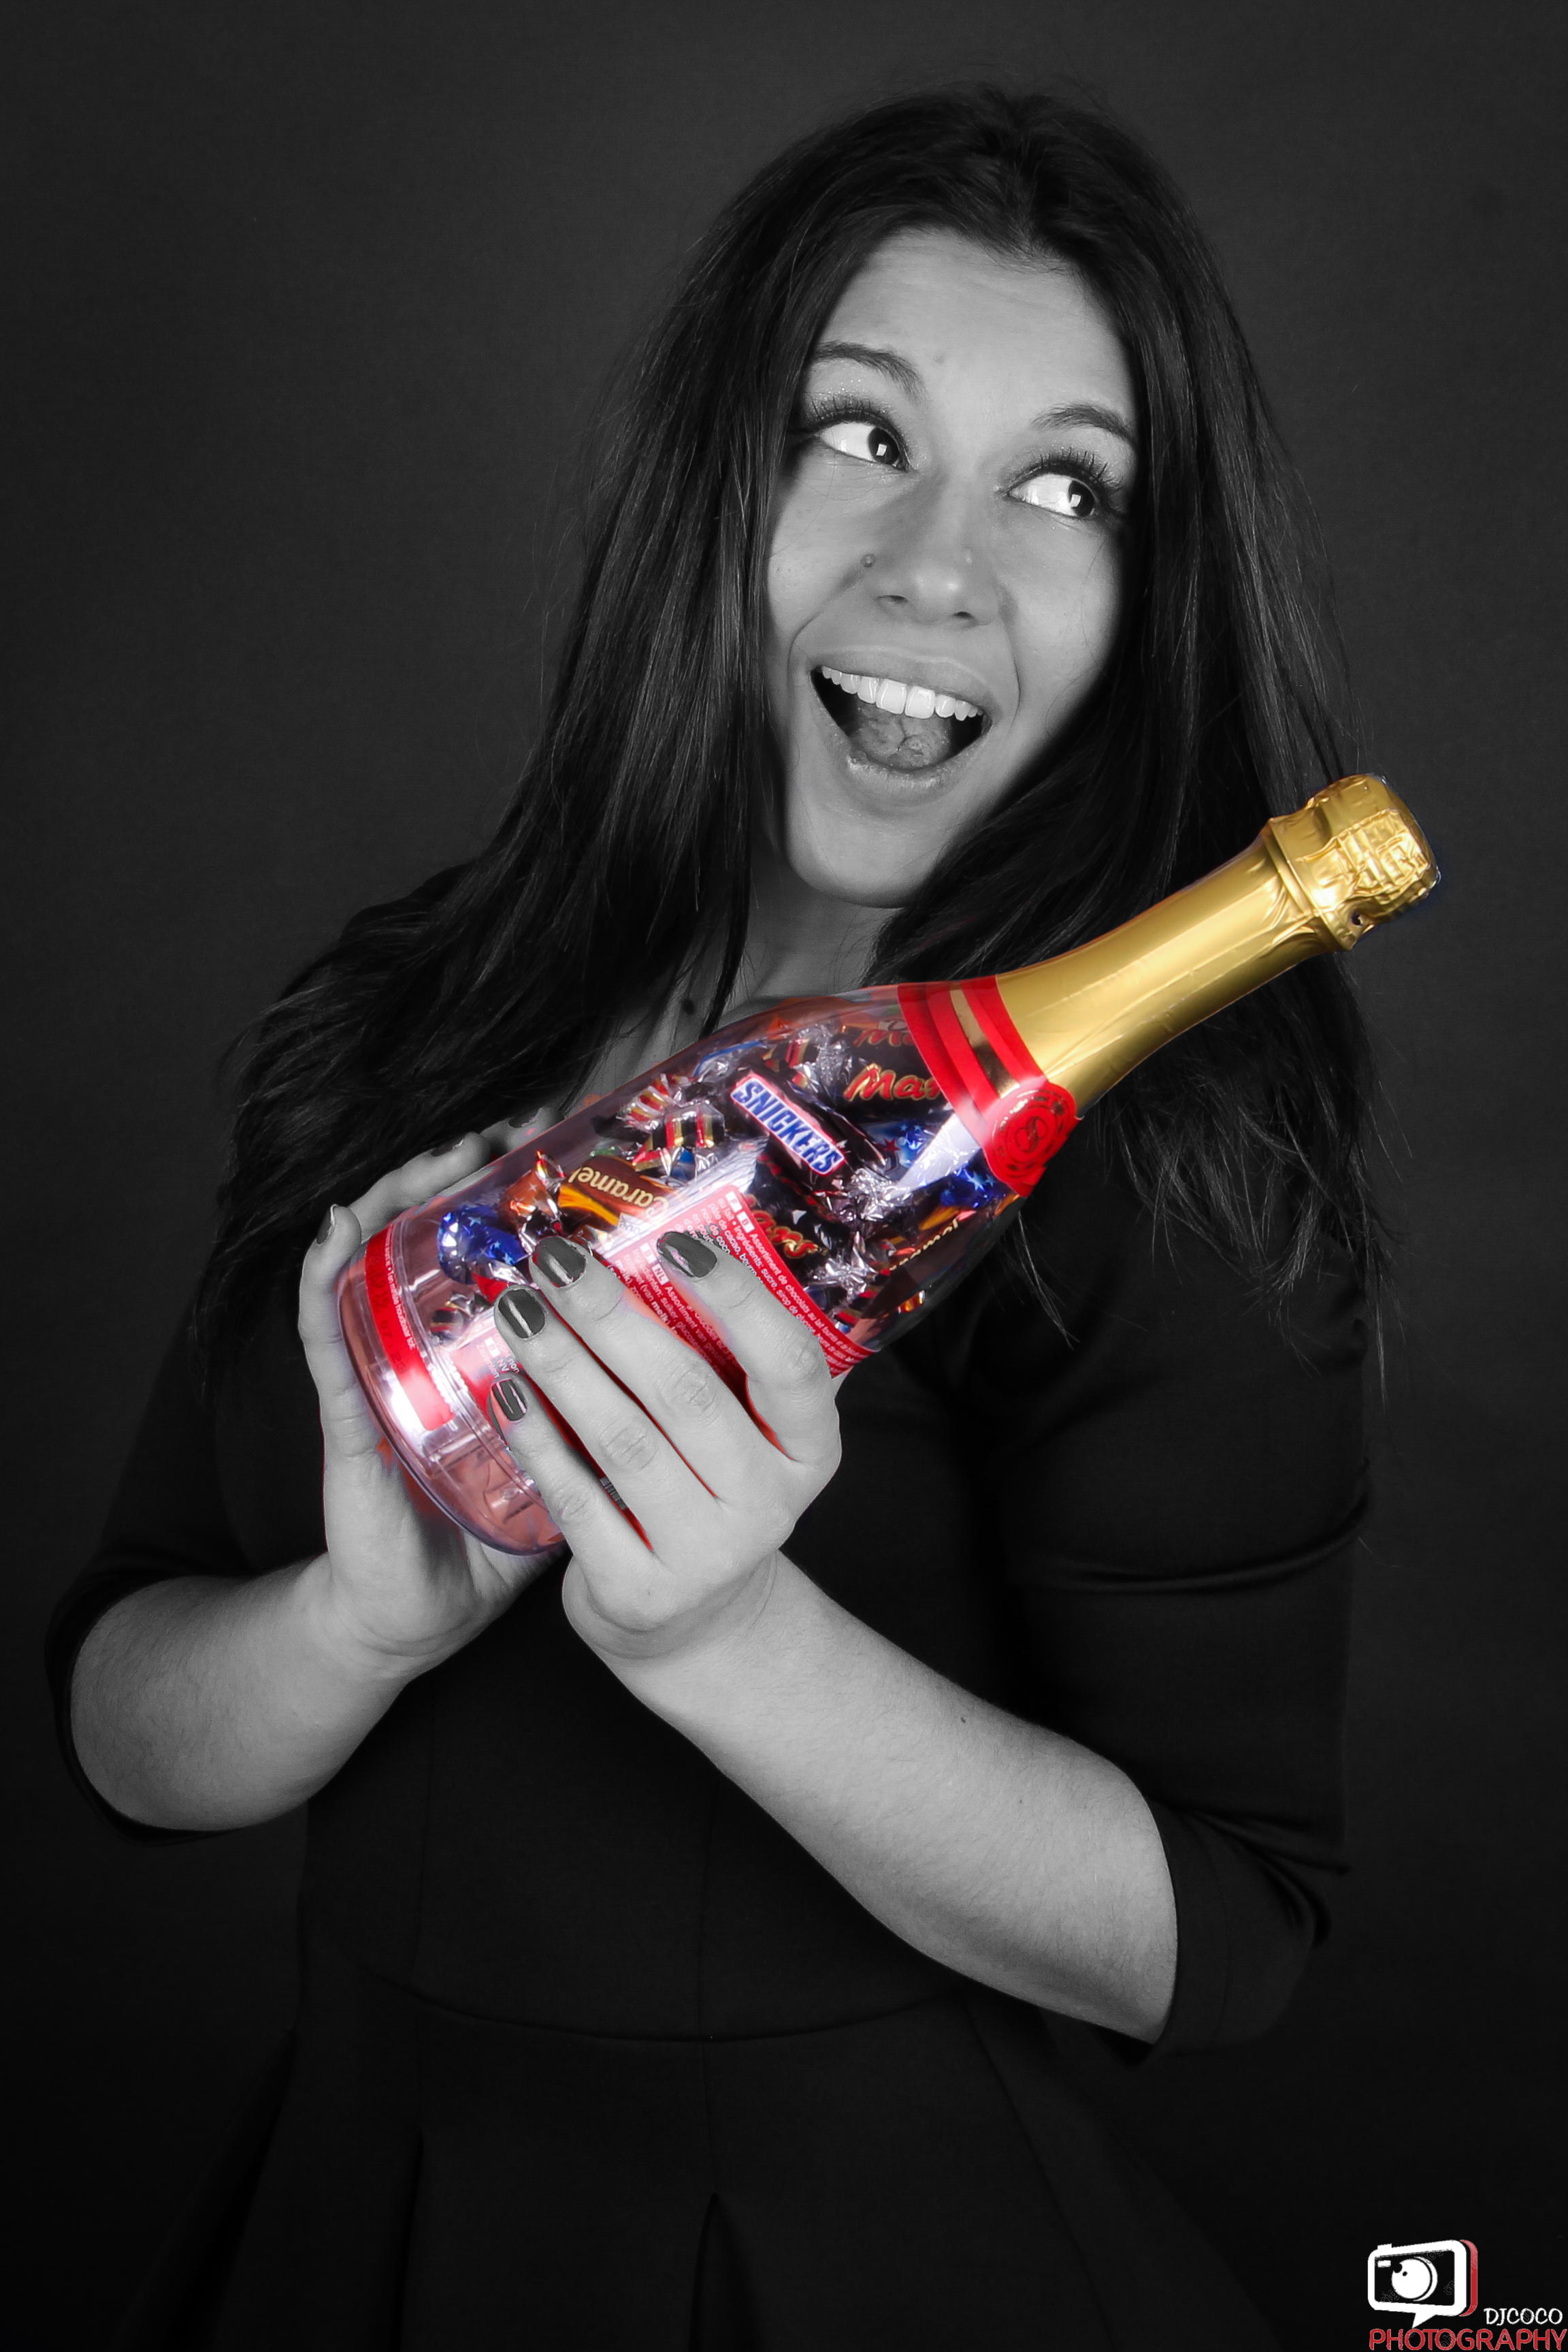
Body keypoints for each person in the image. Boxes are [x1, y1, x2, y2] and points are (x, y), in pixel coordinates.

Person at [48, 87, 1377, 2351]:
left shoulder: (1173, 1167)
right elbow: (118, 1718)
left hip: (865, 2268)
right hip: (355, 2230)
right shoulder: (406, 1014)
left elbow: (1227, 1937)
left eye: (1068, 486)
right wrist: (357, 1625)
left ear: (1148, 603)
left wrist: (725, 1645)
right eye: (859, 433)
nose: (941, 565)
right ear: (711, 482)